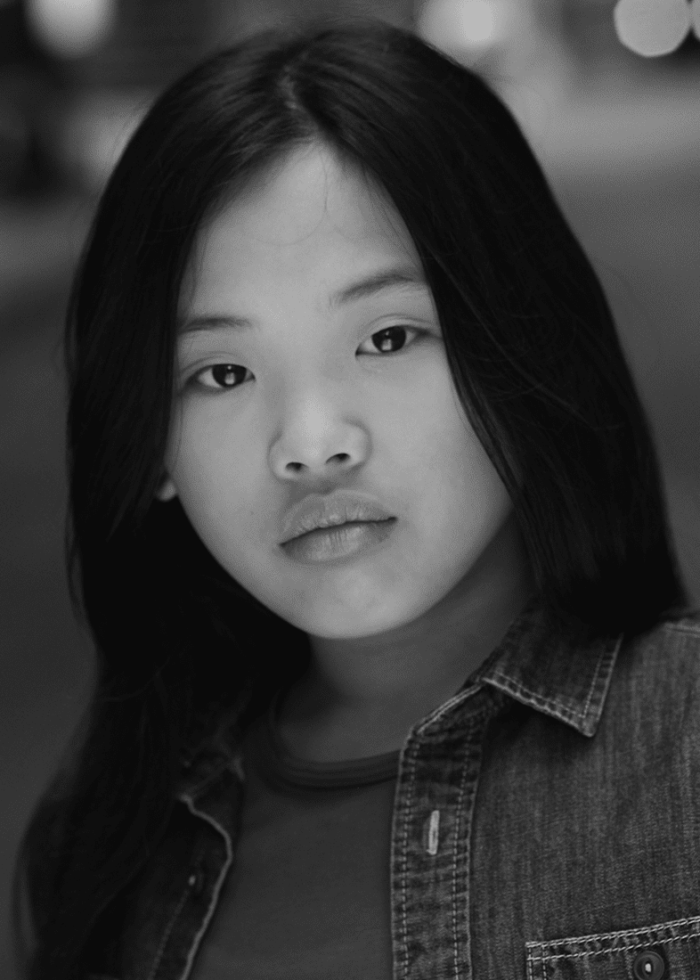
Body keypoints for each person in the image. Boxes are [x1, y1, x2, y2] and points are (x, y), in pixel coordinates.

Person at [13, 18, 699, 980]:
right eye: (219, 373)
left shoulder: (682, 757)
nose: (309, 444)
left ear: (520, 345)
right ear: (152, 446)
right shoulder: (103, 844)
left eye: (387, 338)